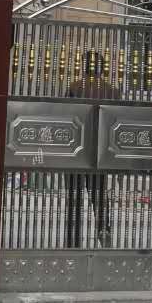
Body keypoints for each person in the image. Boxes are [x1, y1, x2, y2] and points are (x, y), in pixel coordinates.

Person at [65, 51, 118, 246]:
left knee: (75, 197)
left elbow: (67, 118)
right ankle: (104, 232)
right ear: (101, 67)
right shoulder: (112, 91)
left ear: (84, 66)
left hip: (77, 151)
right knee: (99, 196)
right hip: (100, 152)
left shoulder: (74, 87)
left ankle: (73, 238)